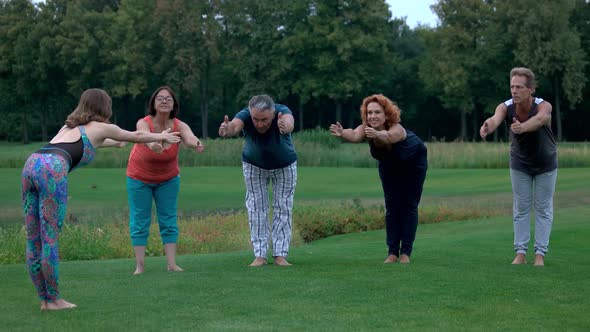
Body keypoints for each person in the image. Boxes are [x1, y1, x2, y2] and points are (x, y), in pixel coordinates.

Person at [21, 89, 181, 311]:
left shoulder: (70, 126)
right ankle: (55, 300)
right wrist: (162, 136)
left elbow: (87, 141)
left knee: (33, 239)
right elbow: (135, 136)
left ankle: (45, 300)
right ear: (104, 107)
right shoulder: (104, 126)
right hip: (52, 169)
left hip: (32, 164)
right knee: (49, 238)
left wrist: (113, 144)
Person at [329, 94, 427, 264]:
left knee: (408, 205)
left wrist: (377, 134)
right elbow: (353, 134)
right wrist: (341, 132)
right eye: (369, 113)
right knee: (391, 206)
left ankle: (405, 253)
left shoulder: (397, 128)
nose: (372, 116)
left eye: (377, 112)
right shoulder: (366, 128)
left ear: (386, 114)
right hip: (389, 165)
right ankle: (392, 253)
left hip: (413, 164)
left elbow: (389, 137)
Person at [480, 67, 557, 266]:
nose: (514, 91)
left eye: (519, 87)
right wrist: (488, 126)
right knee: (521, 208)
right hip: (520, 163)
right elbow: (496, 118)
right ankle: (520, 253)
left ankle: (539, 254)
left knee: (543, 208)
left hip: (545, 164)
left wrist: (523, 127)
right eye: (512, 86)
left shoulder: (543, 105)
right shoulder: (506, 106)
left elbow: (541, 119)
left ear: (530, 89)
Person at [126, 86, 205, 275]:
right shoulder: (144, 122)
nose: (164, 101)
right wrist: (153, 143)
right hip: (139, 178)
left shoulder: (179, 125)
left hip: (168, 179)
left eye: (168, 99)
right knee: (140, 219)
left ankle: (171, 264)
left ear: (174, 104)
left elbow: (189, 137)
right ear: (153, 103)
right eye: (160, 98)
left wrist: (197, 144)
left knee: (168, 219)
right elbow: (142, 135)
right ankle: (140, 266)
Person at [218, 95, 297, 267]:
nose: (260, 124)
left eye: (264, 120)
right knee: (256, 208)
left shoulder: (282, 112)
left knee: (283, 207)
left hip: (285, 165)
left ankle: (280, 255)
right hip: (253, 165)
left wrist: (286, 126)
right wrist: (227, 128)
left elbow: (290, 123)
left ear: (273, 113)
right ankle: (260, 255)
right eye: (256, 119)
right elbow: (234, 126)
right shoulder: (245, 115)